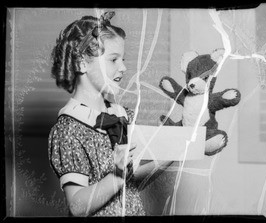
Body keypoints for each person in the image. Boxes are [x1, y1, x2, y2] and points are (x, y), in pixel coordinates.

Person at [48, 11, 173, 217]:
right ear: (81, 63)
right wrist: (115, 176)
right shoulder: (69, 129)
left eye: (123, 59)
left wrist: (172, 152)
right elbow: (77, 207)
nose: (123, 67)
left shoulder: (121, 115)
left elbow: (131, 183)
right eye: (114, 60)